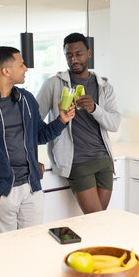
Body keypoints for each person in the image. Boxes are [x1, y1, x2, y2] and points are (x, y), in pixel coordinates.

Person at [0, 46, 75, 235]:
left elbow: (39, 135)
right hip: (3, 192)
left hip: (32, 189)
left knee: (32, 244)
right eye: (21, 64)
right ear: (6, 71)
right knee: (5, 252)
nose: (26, 68)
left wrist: (61, 121)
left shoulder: (26, 99)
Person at [36, 33, 121, 214]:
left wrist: (94, 109)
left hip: (104, 160)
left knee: (98, 219)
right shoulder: (53, 84)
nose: (74, 59)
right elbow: (32, 122)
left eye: (79, 53)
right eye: (69, 55)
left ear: (89, 53)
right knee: (96, 218)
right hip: (77, 161)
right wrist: (30, 159)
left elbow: (114, 124)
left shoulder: (105, 87)